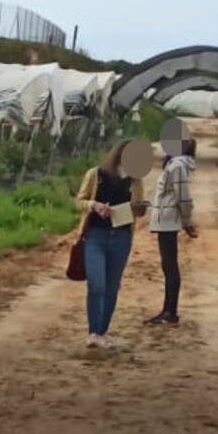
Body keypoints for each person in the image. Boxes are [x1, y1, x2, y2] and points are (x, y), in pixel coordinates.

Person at [74, 140, 149, 348]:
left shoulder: (135, 181)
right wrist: (94, 205)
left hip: (121, 236)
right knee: (96, 283)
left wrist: (137, 208)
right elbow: (78, 201)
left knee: (111, 286)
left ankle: (101, 331)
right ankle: (93, 331)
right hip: (95, 235)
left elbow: (138, 208)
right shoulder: (95, 175)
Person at [146, 137, 198, 326]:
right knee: (168, 266)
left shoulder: (176, 166)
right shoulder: (176, 165)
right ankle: (168, 310)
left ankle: (170, 311)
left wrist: (187, 222)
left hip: (168, 221)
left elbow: (183, 197)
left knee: (170, 266)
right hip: (166, 220)